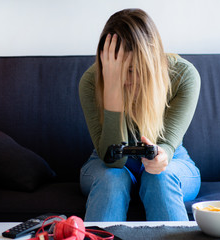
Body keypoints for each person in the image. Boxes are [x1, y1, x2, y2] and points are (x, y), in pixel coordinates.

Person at [79, 8, 201, 221]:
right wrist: (112, 89)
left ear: (150, 61)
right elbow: (113, 161)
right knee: (112, 180)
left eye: (133, 70)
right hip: (105, 163)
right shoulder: (91, 81)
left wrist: (160, 157)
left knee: (160, 177)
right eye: (117, 69)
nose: (126, 79)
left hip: (172, 159)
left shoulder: (183, 75)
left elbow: (167, 148)